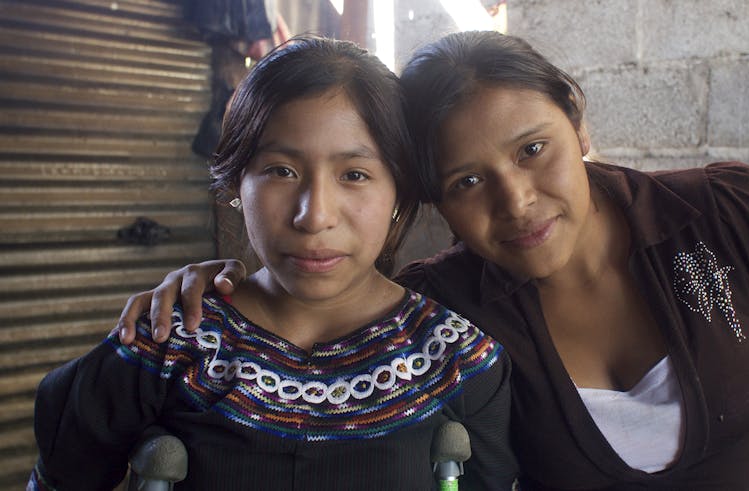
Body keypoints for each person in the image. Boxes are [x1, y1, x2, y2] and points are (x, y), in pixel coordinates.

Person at [118, 31, 749, 490]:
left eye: (533, 150)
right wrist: (215, 289)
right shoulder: (438, 313)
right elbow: (304, 301)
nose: (517, 203)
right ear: (434, 201)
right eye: (467, 182)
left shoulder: (709, 216)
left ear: (575, 120)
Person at [29, 35, 517, 491]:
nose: (314, 216)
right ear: (237, 185)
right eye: (280, 171)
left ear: (399, 191)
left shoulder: (456, 361)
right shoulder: (168, 343)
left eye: (354, 174)